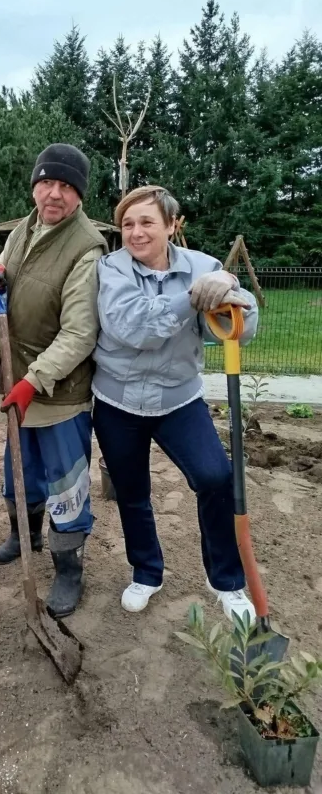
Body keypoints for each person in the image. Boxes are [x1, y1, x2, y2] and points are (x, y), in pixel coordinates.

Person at [91, 185, 258, 622]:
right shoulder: (112, 269)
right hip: (117, 402)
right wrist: (190, 299)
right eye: (127, 224)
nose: (136, 232)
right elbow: (135, 328)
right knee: (132, 492)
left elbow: (245, 324)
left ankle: (226, 580)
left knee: (216, 477)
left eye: (147, 222)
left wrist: (230, 287)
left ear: (171, 225)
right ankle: (147, 572)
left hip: (178, 399)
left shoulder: (205, 267)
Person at [0, 143, 108, 618]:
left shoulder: (86, 248)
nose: (53, 194)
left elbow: (80, 332)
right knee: (20, 471)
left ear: (78, 195)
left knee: (66, 484)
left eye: (66, 186)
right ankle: (23, 537)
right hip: (16, 381)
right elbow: (11, 278)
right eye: (46, 182)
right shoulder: (23, 230)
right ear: (35, 184)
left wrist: (34, 381)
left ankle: (69, 569)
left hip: (57, 392)